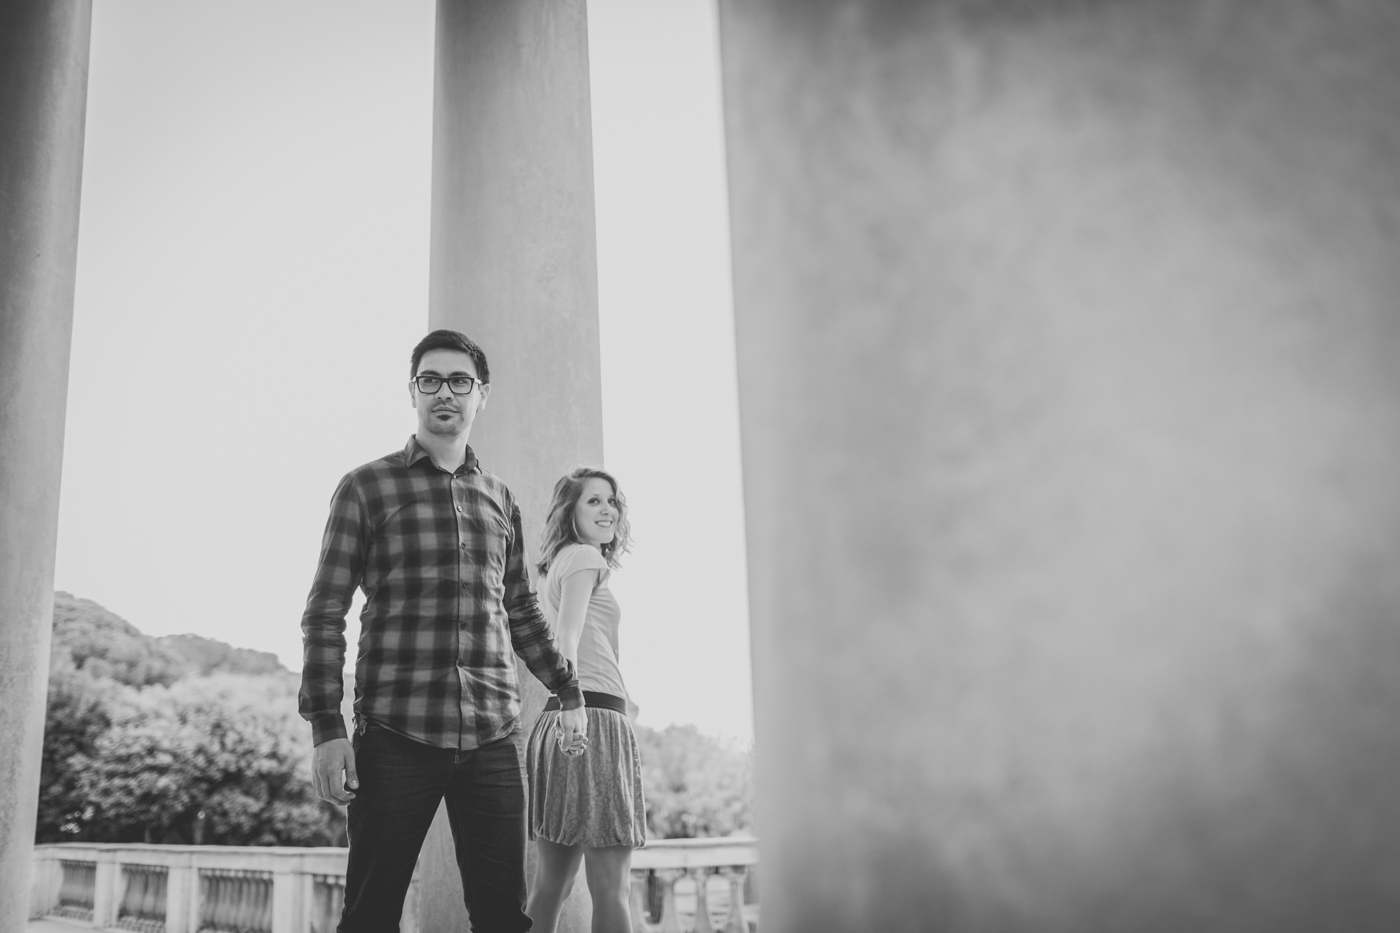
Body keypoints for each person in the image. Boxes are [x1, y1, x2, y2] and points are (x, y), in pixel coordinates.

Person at [299, 329, 588, 933]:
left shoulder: (500, 498)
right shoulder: (366, 487)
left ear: (482, 394)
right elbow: (325, 612)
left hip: (493, 736)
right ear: (412, 392)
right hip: (394, 732)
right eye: (429, 380)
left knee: (503, 918)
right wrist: (327, 727)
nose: (444, 393)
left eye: (460, 381)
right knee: (370, 915)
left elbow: (520, 611)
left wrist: (568, 689)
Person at [524, 468, 647, 933]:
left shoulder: (557, 563)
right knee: (612, 889)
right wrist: (572, 703)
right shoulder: (584, 557)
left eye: (611, 500)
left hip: (560, 719)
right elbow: (566, 638)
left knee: (549, 887)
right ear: (569, 512)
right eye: (593, 501)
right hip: (588, 718)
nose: (607, 509)